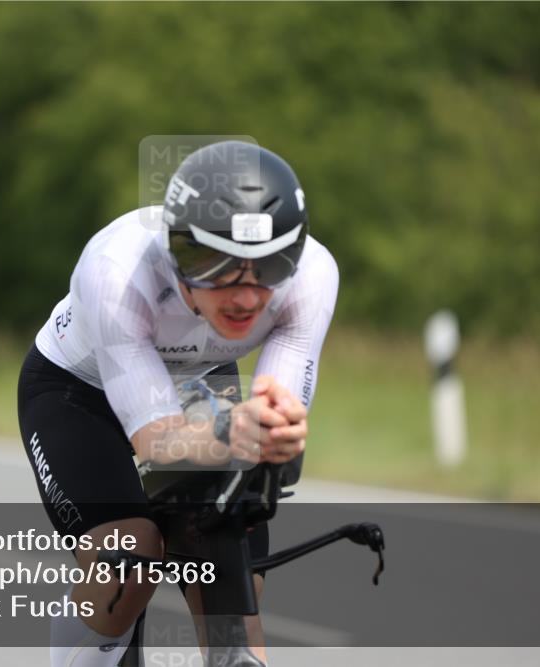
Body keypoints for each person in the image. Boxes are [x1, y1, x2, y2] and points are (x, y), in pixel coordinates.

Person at [18, 140, 339, 667]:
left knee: (233, 582)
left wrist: (272, 433)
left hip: (201, 379)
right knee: (129, 560)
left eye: (271, 265)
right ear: (178, 251)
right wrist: (235, 432)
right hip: (80, 388)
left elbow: (273, 410)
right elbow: (160, 441)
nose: (245, 295)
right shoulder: (116, 274)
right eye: (217, 265)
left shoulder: (312, 277)